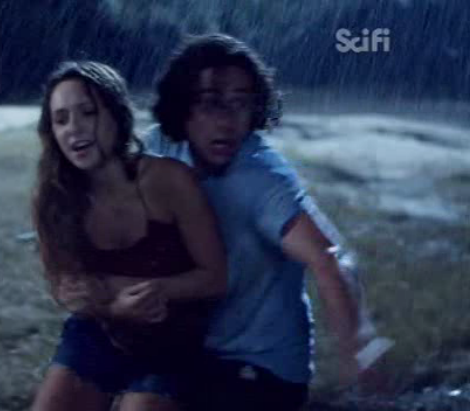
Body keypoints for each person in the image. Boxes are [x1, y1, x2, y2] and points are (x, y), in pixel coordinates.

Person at [141, 33, 386, 410]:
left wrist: (361, 349)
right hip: (190, 350)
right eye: (211, 102)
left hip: (259, 369)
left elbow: (329, 260)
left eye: (241, 103)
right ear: (182, 106)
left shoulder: (260, 178)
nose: (227, 121)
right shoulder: (161, 147)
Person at [30, 61, 227, 411]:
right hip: (98, 332)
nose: (74, 129)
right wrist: (113, 307)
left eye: (88, 112)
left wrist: (148, 292)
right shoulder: (54, 198)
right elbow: (64, 287)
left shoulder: (169, 179)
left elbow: (215, 278)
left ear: (117, 115)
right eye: (61, 120)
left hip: (172, 342)